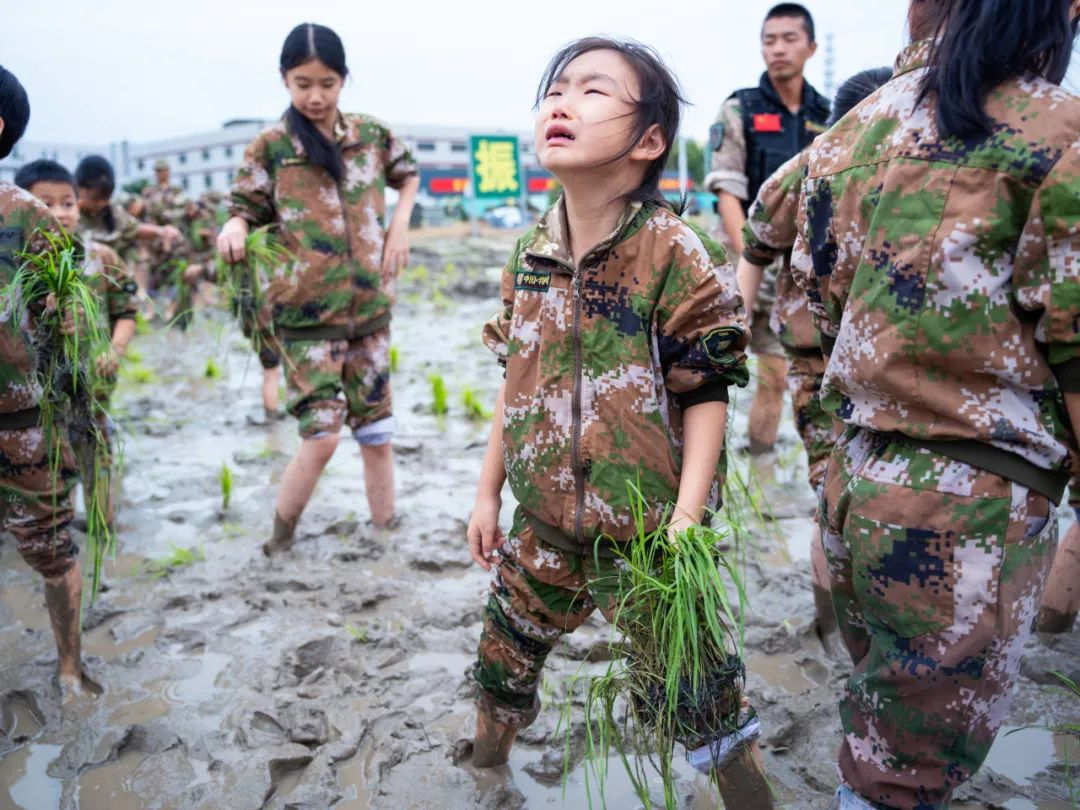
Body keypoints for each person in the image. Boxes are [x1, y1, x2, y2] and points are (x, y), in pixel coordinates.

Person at [464, 37, 771, 807]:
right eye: (556, 89)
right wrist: (484, 496)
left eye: (593, 91)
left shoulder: (674, 252)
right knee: (500, 668)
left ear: (650, 141)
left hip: (648, 538)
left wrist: (687, 519)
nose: (561, 102)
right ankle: (482, 767)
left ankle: (749, 794)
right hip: (541, 528)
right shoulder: (531, 254)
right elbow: (514, 384)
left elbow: (705, 392)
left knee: (705, 705)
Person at [789, 1, 1080, 806]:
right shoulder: (1057, 129)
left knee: (883, 727)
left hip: (854, 490)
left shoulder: (850, 133)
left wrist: (825, 465)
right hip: (971, 508)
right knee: (903, 774)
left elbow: (803, 325)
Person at [218, 23, 419, 554]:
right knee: (323, 436)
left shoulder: (371, 136)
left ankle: (386, 534)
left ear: (343, 80)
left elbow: (409, 174)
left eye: (327, 83)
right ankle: (279, 541)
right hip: (306, 319)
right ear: (285, 80)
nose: (314, 96)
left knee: (377, 433)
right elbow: (242, 210)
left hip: (371, 310)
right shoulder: (271, 148)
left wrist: (399, 227)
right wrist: (234, 229)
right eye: (302, 83)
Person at [736, 67, 893, 653]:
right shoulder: (808, 167)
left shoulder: (920, 164)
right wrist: (733, 326)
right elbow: (754, 246)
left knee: (877, 504)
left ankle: (869, 633)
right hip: (818, 366)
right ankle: (832, 634)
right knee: (830, 494)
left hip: (891, 373)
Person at [0, 66, 91, 700]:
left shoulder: (27, 217)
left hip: (22, 420)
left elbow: (66, 321)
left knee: (51, 547)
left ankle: (69, 665)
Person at [705, 2, 829, 455]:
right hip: (737, 264)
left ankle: (760, 466)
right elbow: (727, 192)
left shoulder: (827, 115)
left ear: (811, 47)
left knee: (776, 376)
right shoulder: (740, 107)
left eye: (789, 39)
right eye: (769, 40)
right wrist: (753, 259)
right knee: (709, 372)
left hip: (796, 271)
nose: (777, 49)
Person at [15, 159, 138, 526]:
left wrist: (113, 349)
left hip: (93, 387)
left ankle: (102, 527)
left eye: (67, 203)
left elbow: (127, 309)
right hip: (35, 395)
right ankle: (60, 532)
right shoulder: (14, 268)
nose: (59, 213)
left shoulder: (100, 258)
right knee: (51, 466)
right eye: (46, 204)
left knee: (96, 453)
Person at [75, 154, 179, 295]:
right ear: (80, 190)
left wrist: (161, 231)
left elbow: (134, 229)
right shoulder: (69, 215)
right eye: (96, 198)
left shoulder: (111, 211)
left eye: (106, 198)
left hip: (110, 283)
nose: (102, 203)